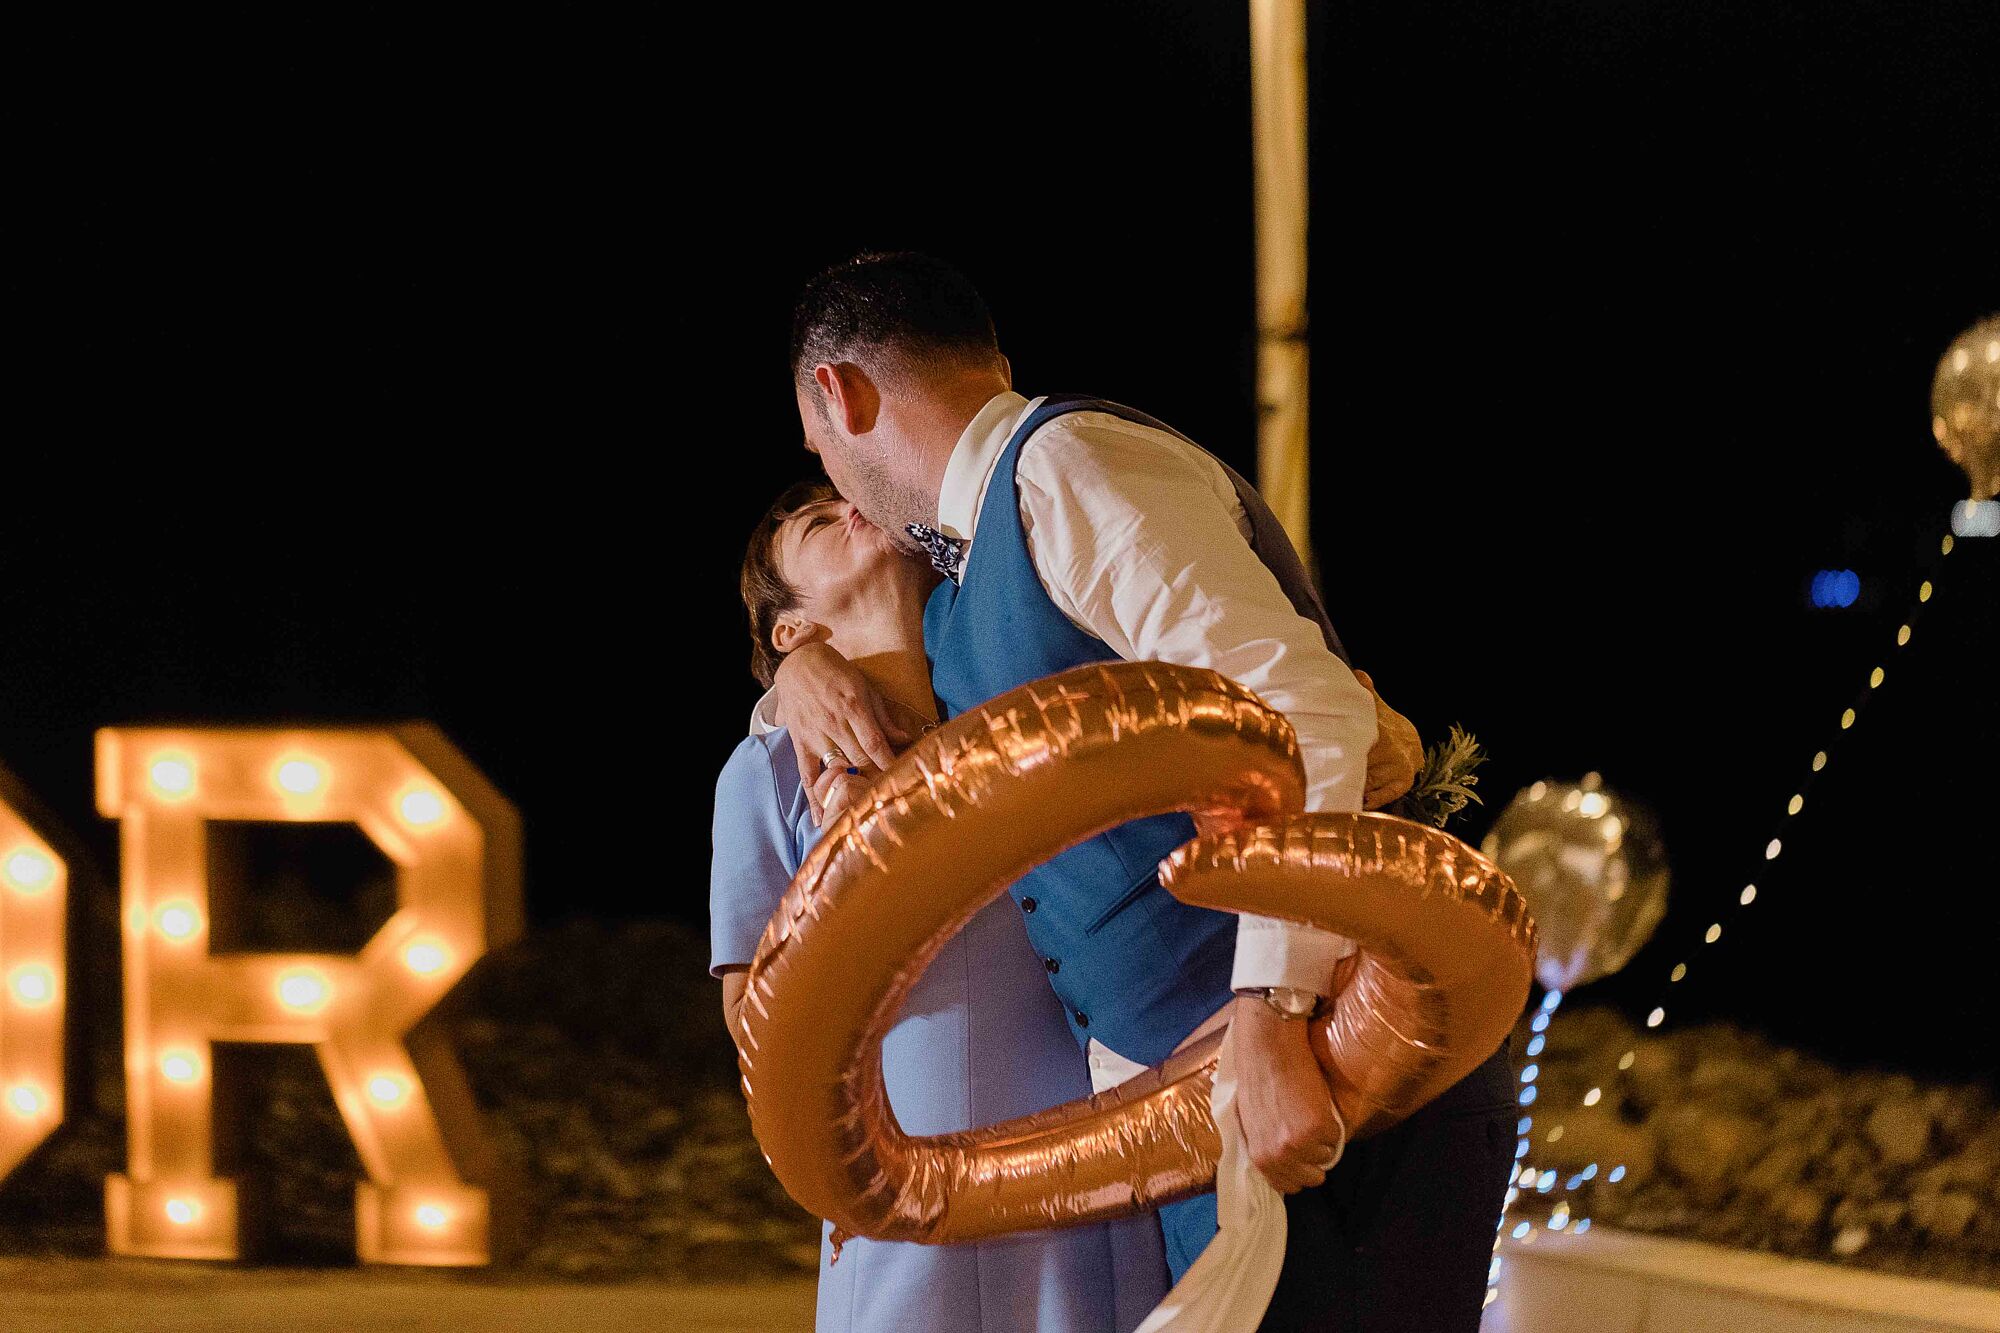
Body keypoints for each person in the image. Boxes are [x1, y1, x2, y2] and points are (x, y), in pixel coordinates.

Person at [757, 252, 1517, 1332]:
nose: (830, 478)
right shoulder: (969, 573)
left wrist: (1268, 1008)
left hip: (1337, 1073)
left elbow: (1303, 709)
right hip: (1207, 1113)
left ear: (838, 394)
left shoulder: (1065, 468)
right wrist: (795, 675)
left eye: (814, 444)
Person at [710, 479, 1172, 1333]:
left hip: (1090, 1182)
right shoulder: (768, 773)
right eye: (817, 521)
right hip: (910, 1197)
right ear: (792, 630)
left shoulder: (1021, 710)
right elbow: (750, 1016)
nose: (849, 503)